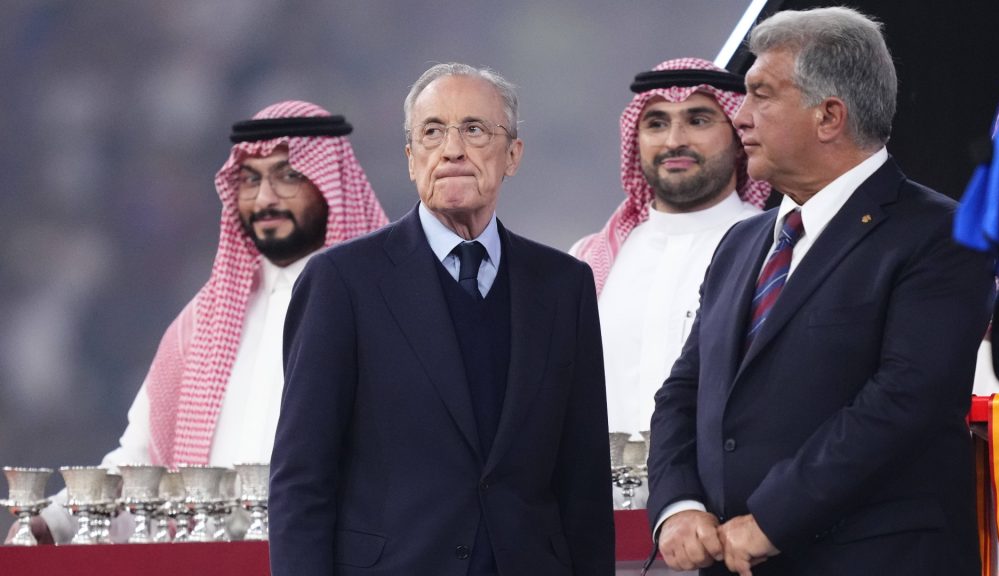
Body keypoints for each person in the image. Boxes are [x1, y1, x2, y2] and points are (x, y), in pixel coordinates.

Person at [645, 7, 993, 576]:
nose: (740, 116)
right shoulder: (741, 243)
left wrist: (771, 520)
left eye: (761, 94)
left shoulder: (942, 235)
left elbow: (904, 402)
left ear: (829, 115)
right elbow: (685, 391)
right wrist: (678, 504)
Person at [269, 63, 615, 575]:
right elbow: (302, 479)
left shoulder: (564, 286)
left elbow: (584, 480)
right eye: (432, 132)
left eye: (474, 129)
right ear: (412, 159)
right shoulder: (342, 282)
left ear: (513, 155)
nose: (452, 149)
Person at [27, 100, 388, 544]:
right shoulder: (201, 325)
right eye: (251, 180)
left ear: (332, 184)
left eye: (287, 176)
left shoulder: (386, 310)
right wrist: (57, 522)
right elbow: (142, 468)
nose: (265, 198)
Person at [571, 58, 770, 445]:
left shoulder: (770, 247)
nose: (674, 140)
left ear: (738, 137)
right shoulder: (590, 259)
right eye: (656, 123)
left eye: (698, 120)